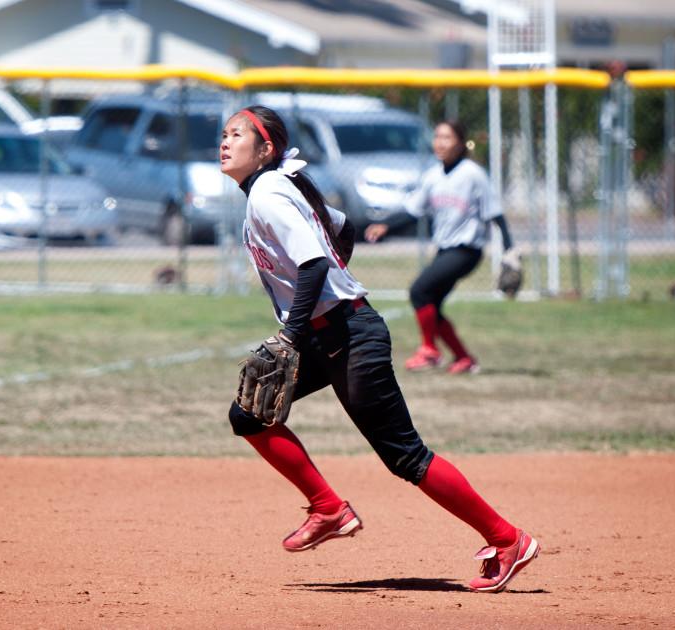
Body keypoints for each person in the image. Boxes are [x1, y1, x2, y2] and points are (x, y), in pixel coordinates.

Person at [220, 105, 538, 593]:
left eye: (238, 134)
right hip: (327, 333)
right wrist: (313, 314)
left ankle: (508, 538)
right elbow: (341, 229)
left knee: (405, 457)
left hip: (350, 335)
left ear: (266, 150)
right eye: (224, 133)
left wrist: (290, 334)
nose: (225, 141)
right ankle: (328, 508)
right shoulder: (274, 188)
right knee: (249, 415)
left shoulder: (267, 193)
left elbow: (312, 265)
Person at [365, 120, 516, 374]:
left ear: (460, 142)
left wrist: (510, 250)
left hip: (467, 250)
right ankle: (464, 358)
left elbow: (496, 214)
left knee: (419, 291)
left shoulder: (473, 174)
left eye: (447, 137)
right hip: (446, 249)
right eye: (437, 137)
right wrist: (386, 226)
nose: (440, 143)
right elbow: (413, 211)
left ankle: (429, 350)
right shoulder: (433, 175)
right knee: (430, 303)